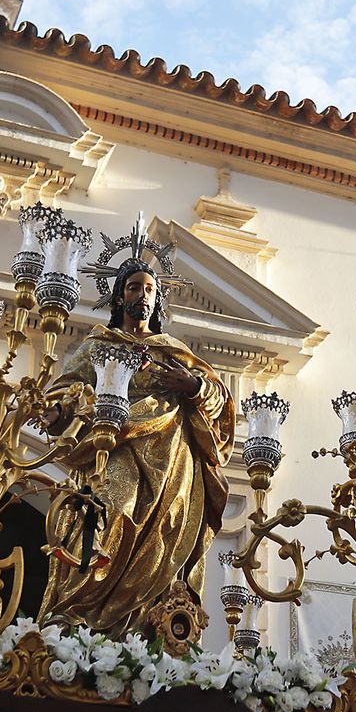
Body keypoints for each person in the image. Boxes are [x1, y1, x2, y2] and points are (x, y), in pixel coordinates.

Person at [38, 258, 234, 634]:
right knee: (108, 514)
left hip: (172, 462)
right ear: (118, 297)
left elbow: (220, 402)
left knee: (165, 537)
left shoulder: (173, 350)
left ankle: (145, 624)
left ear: (156, 300)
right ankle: (79, 615)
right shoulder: (100, 344)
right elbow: (67, 389)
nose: (141, 294)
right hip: (114, 449)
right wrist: (57, 410)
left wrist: (192, 386)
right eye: (133, 287)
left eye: (148, 289)